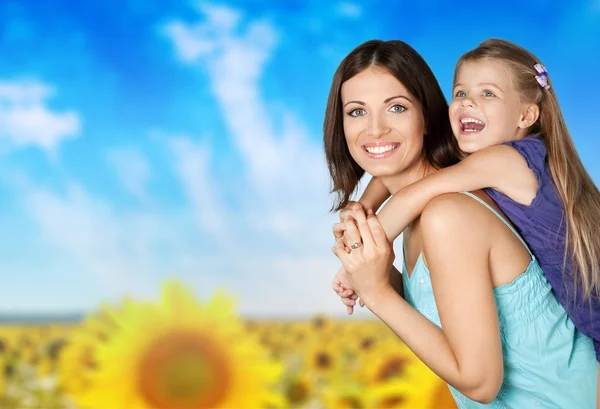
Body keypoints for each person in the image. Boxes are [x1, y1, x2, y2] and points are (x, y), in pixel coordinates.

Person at [324, 39, 598, 408]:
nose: (375, 129)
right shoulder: (422, 215)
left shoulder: (447, 213)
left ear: (427, 116)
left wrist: (373, 289)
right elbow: (439, 312)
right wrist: (372, 271)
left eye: (397, 107)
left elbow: (480, 383)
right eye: (357, 112)